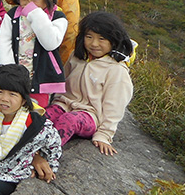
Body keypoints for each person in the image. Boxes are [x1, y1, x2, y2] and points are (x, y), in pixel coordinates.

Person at [0, 65, 62, 195]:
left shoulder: (32, 123)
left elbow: (54, 144)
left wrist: (46, 164)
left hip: (15, 173)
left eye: (12, 94)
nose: (5, 98)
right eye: (0, 92)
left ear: (23, 100)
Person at [46, 12, 134, 154]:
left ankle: (45, 153)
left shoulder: (116, 69)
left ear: (114, 40)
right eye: (89, 37)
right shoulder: (77, 56)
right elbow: (62, 80)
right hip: (63, 104)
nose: (94, 44)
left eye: (102, 39)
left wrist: (104, 134)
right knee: (43, 117)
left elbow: (115, 106)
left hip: (90, 116)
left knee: (68, 121)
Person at [0, 0, 67, 108]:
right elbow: (4, 45)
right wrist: (9, 75)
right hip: (15, 79)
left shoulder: (57, 17)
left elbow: (50, 43)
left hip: (41, 80)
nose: (28, 3)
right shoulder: (12, 16)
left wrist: (35, 13)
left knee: (35, 112)